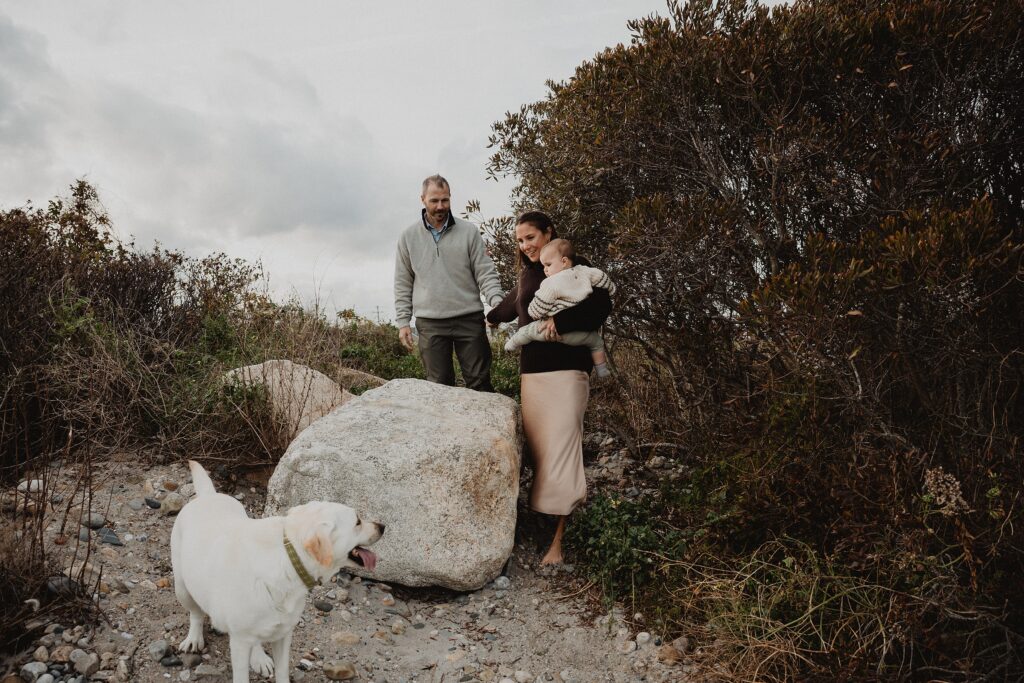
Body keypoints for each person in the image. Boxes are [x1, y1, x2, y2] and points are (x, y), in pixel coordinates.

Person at [486, 211, 612, 565]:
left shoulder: (574, 265)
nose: (525, 246)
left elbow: (603, 305)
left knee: (563, 451)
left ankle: (558, 541)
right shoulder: (531, 274)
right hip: (534, 375)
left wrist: (561, 319)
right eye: (520, 241)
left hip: (568, 371)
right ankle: (545, 522)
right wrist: (492, 316)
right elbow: (515, 302)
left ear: (548, 233)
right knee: (542, 455)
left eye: (530, 237)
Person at [394, 174, 504, 391]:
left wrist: (498, 304)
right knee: (439, 388)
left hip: (469, 318)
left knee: (480, 384)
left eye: (445, 200)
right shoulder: (408, 237)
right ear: (423, 199)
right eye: (434, 201)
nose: (440, 206)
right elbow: (403, 281)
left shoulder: (469, 232)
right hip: (430, 322)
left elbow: (485, 272)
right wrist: (403, 322)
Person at [503, 238, 615, 379]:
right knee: (597, 342)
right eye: (544, 266)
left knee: (527, 331)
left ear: (564, 261)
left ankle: (511, 345)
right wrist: (611, 289)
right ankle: (602, 370)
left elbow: (537, 310)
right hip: (579, 334)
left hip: (552, 332)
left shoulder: (551, 282)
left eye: (548, 265)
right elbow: (604, 281)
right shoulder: (585, 272)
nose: (545, 269)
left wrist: (535, 313)